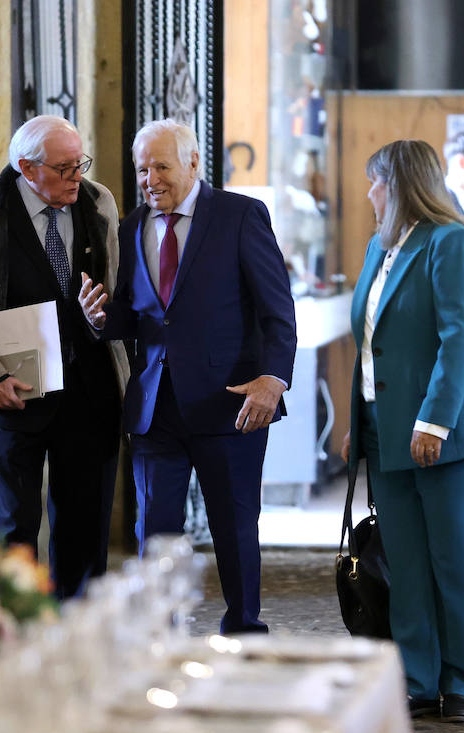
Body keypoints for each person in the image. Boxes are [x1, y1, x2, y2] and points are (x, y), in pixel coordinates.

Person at [91, 118, 296, 633]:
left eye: (161, 166)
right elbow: (138, 316)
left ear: (193, 163)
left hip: (231, 404)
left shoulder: (240, 216)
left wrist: (274, 378)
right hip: (155, 407)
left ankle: (245, 629)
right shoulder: (131, 227)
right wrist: (101, 318)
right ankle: (160, 635)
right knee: (153, 531)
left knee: (233, 527)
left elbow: (277, 310)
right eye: (142, 169)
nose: (150, 178)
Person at [0, 115, 128, 600]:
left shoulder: (99, 203)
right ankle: (16, 627)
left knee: (85, 524)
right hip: (13, 392)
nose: (77, 176)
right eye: (64, 169)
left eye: (80, 163)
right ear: (26, 168)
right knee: (15, 526)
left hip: (89, 389)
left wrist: (103, 316)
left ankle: (79, 629)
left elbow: (121, 292)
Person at [340, 140, 464, 722]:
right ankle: (416, 677)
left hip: (448, 434)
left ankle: (461, 682)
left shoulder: (450, 242)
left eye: (374, 182)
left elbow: (461, 339)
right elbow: (368, 344)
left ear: (401, 184)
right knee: (405, 561)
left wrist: (432, 420)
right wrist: (358, 424)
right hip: (386, 432)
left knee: (451, 558)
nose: (368, 194)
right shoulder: (376, 248)